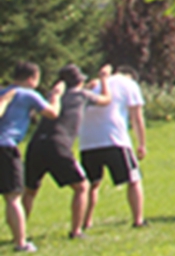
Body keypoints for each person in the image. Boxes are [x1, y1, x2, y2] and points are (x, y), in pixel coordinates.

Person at [22, 65, 111, 241]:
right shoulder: (82, 96)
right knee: (82, 187)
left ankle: (20, 232)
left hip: (36, 144)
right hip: (58, 144)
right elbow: (106, 99)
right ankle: (76, 231)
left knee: (30, 190)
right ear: (80, 81)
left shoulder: (53, 96)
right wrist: (104, 80)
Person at [79, 64, 147, 230]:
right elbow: (137, 117)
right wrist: (141, 144)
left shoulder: (95, 85)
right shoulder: (129, 84)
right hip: (114, 139)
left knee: (92, 184)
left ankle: (85, 222)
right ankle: (138, 220)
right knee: (134, 179)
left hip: (87, 141)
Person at [0, 63, 60, 252]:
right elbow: (52, 113)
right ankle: (20, 243)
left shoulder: (5, 92)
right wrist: (56, 96)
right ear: (31, 79)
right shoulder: (28, 94)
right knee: (13, 197)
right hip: (7, 147)